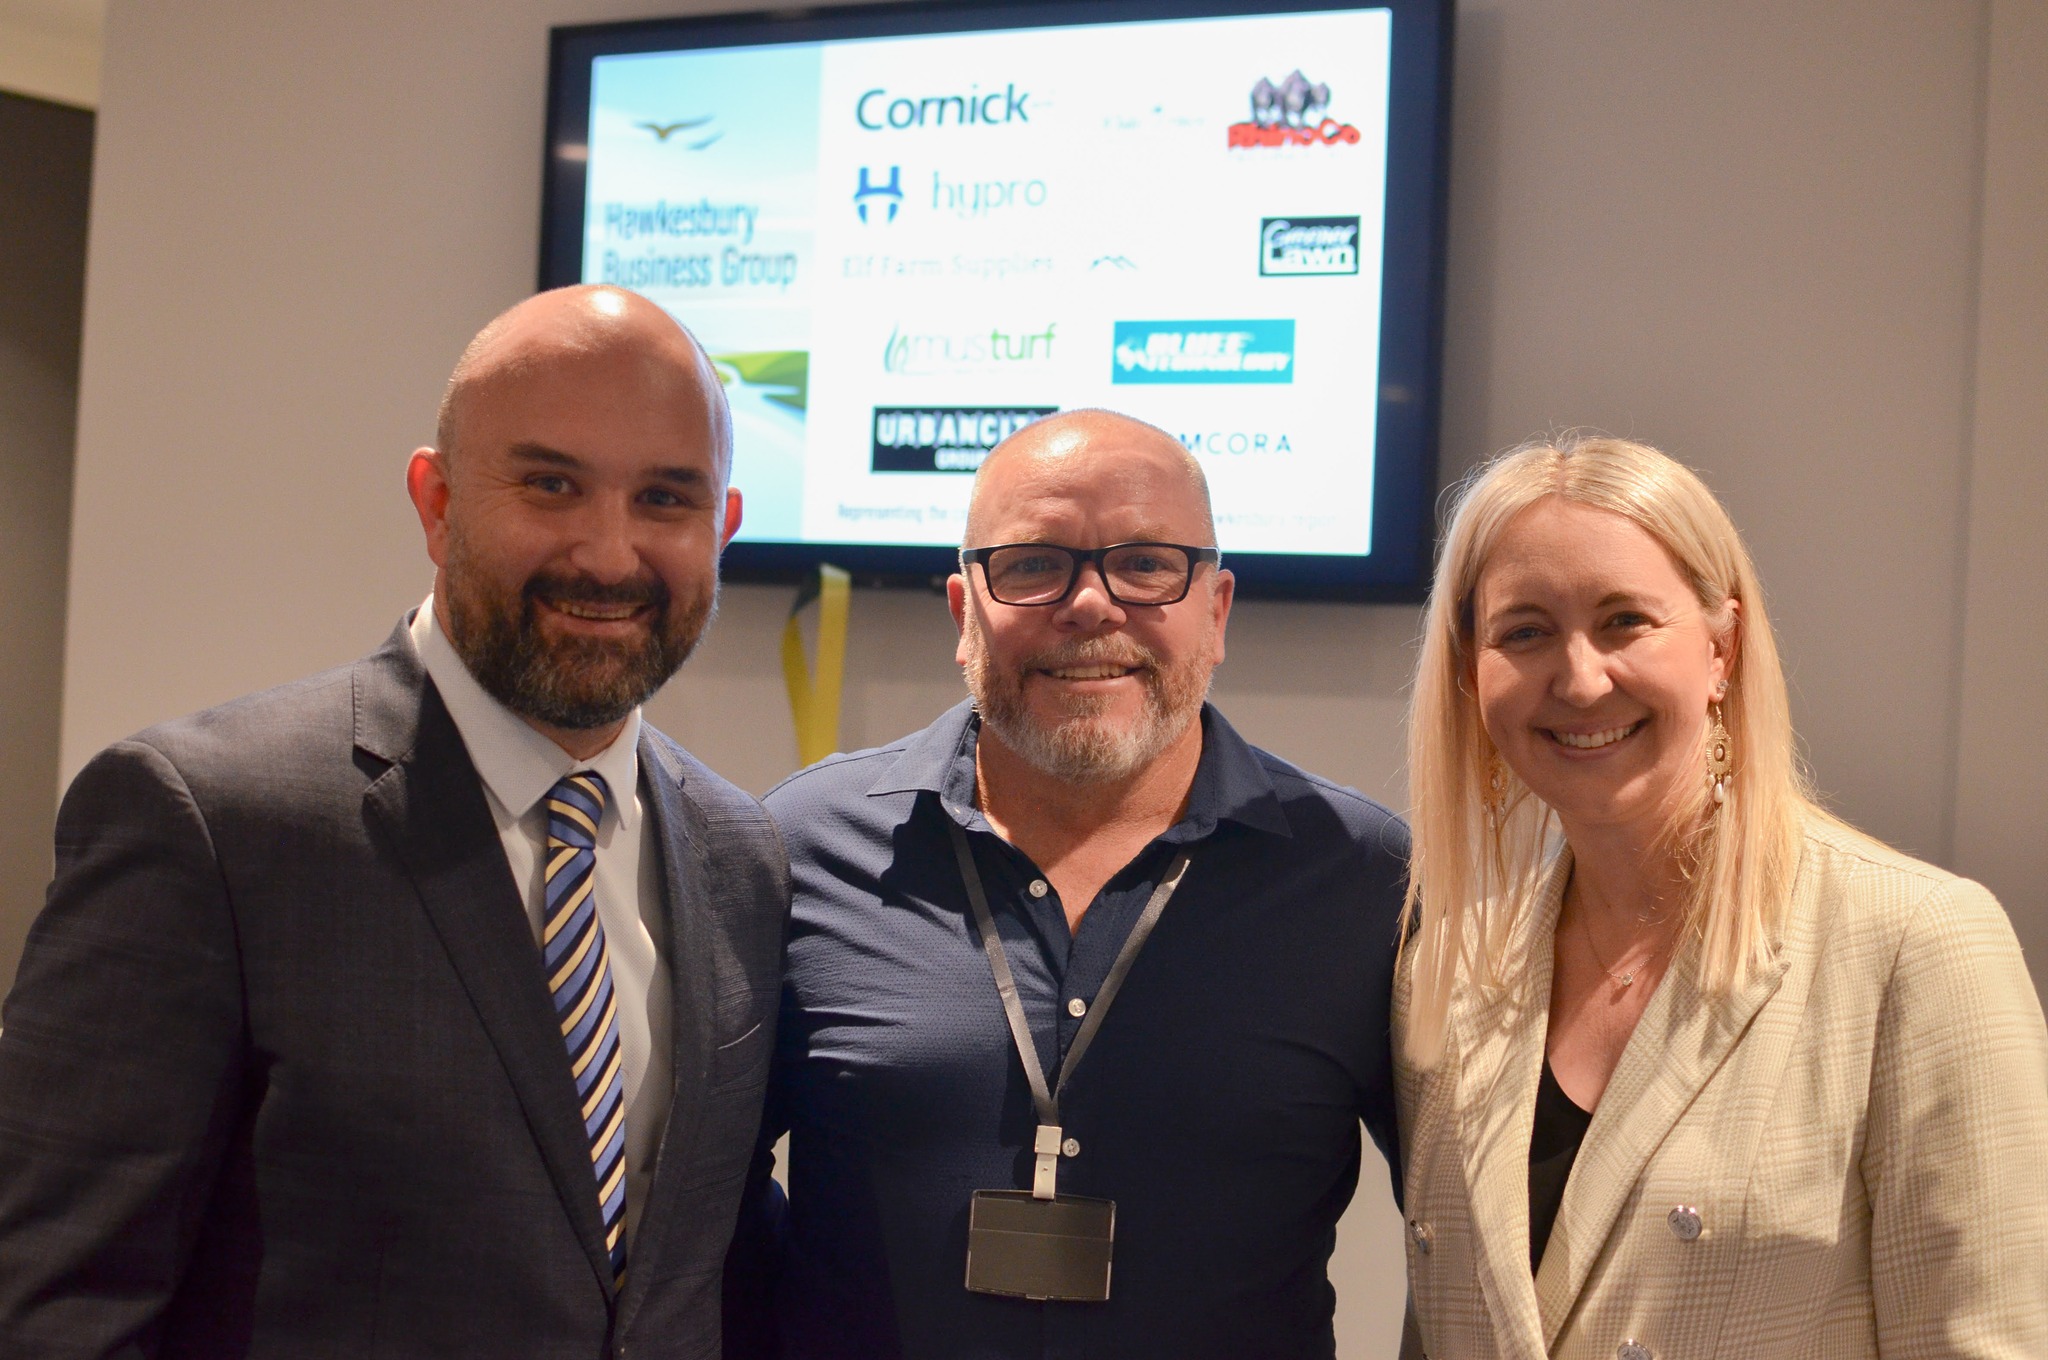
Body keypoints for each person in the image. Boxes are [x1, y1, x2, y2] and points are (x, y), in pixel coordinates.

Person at [0, 285, 789, 1358]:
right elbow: (58, 1305)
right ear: (437, 502)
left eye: (664, 497)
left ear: (722, 526)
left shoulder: (741, 858)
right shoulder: (209, 824)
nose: (609, 555)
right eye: (551, 484)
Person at [725, 410, 1409, 1360]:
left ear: (1217, 611)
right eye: (1033, 565)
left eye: (1147, 564)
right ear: (964, 613)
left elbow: (1463, 1227)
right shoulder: (799, 848)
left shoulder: (1365, 878)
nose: (1090, 605)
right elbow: (702, 1208)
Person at [1394, 434, 2048, 1358]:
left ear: (1721, 648)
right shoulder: (1449, 969)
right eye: (1525, 632)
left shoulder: (1918, 943)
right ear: (1472, 672)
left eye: (1624, 620)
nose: (1580, 678)